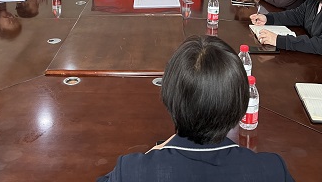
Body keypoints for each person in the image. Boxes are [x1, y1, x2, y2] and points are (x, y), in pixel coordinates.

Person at [98, 35, 295, 182]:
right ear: (240, 103)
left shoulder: (132, 171)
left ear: (169, 97)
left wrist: (155, 152)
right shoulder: (272, 171)